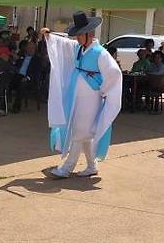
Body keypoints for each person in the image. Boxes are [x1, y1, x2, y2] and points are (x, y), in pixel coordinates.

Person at [44, 11, 122, 179]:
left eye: (80, 35)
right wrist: (50, 36)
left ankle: (67, 168)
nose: (77, 39)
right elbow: (65, 43)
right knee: (84, 133)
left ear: (89, 34)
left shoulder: (100, 52)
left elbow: (114, 73)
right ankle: (92, 165)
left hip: (90, 99)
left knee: (79, 131)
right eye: (77, 36)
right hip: (77, 98)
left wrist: (102, 88)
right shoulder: (80, 48)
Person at [11, 41, 43, 113]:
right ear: (26, 49)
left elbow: (36, 73)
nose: (30, 50)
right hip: (18, 75)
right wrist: (14, 61)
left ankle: (16, 106)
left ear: (35, 49)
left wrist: (28, 77)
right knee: (5, 79)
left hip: (29, 79)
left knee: (22, 84)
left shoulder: (37, 60)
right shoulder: (21, 56)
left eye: (32, 48)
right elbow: (15, 65)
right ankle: (0, 104)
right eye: (29, 48)